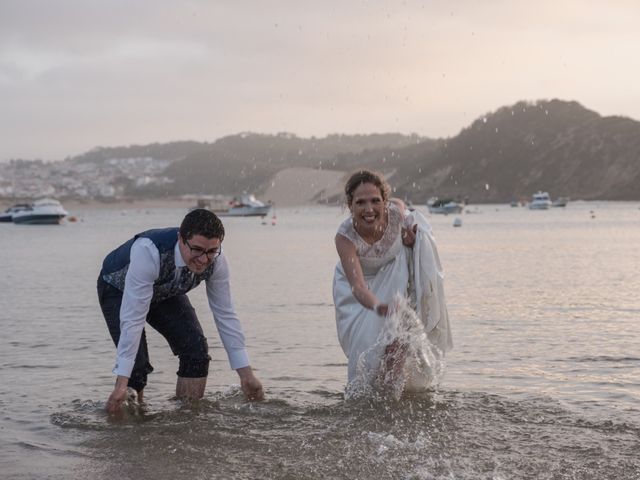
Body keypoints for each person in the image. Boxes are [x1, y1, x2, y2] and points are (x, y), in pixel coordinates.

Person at [97, 208, 263, 414]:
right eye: (197, 250)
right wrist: (122, 383)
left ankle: (186, 420)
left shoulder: (218, 261)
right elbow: (133, 319)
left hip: (165, 292)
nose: (204, 259)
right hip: (118, 289)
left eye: (211, 251)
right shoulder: (148, 251)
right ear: (180, 239)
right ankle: (127, 426)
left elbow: (225, 313)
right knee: (136, 369)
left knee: (196, 350)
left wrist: (246, 375)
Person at [332, 169, 452, 395]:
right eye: (361, 202)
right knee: (368, 348)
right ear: (350, 205)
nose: (369, 209)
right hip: (357, 291)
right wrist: (378, 306)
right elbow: (357, 286)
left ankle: (393, 397)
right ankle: (373, 396)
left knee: (397, 338)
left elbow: (401, 204)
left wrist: (408, 227)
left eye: (375, 201)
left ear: (384, 201)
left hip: (394, 275)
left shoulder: (395, 213)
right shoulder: (344, 237)